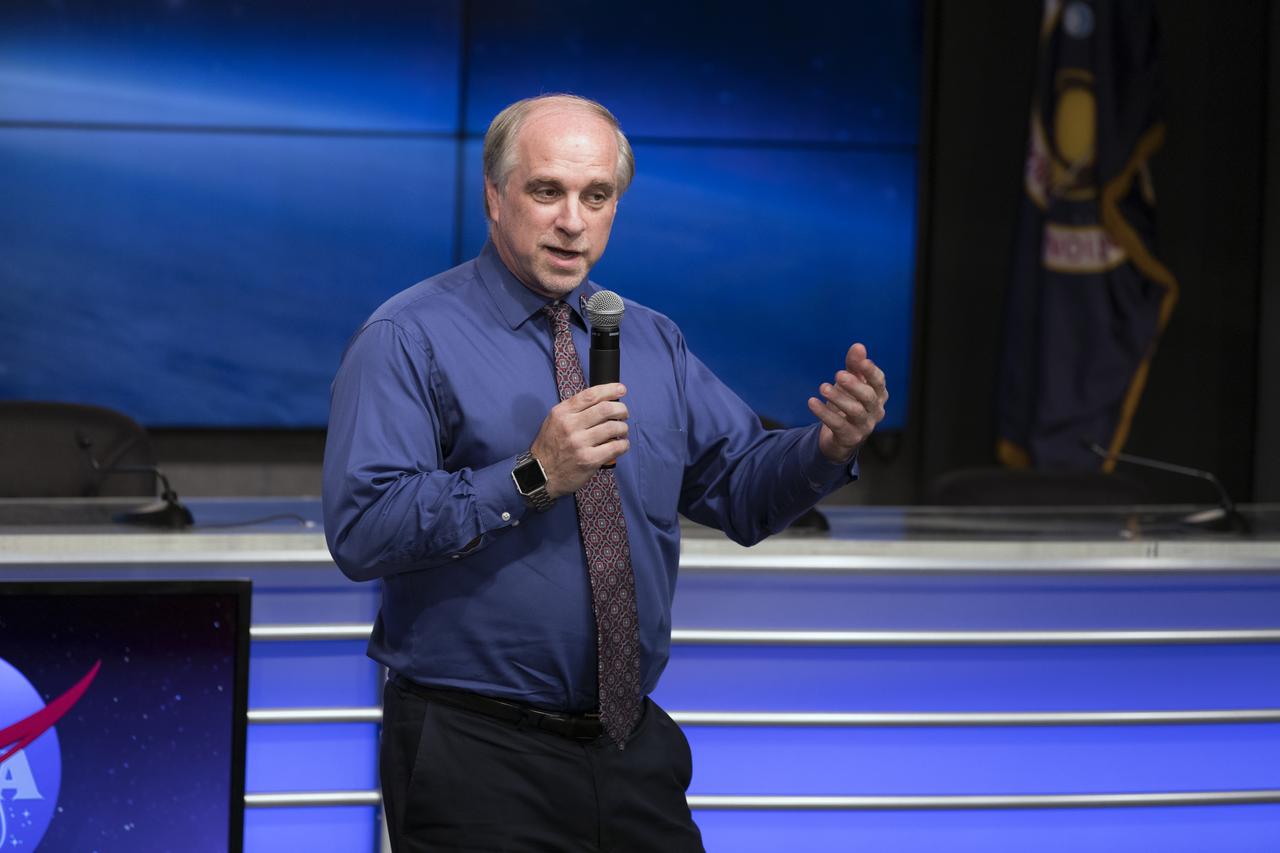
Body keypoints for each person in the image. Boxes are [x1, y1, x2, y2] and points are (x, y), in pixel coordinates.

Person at [322, 93, 888, 852]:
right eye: (546, 191)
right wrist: (532, 475)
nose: (573, 220)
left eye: (597, 196)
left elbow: (744, 488)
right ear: (494, 196)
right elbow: (363, 529)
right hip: (475, 752)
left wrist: (824, 448)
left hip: (631, 748)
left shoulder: (652, 340)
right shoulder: (407, 337)